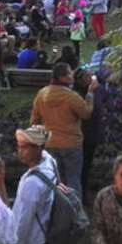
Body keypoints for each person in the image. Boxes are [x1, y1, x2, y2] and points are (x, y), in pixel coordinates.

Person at [30, 62, 96, 198]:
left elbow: (34, 122)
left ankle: (57, 209)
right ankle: (75, 212)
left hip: (50, 144)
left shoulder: (42, 94)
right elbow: (86, 114)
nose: (72, 76)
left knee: (56, 180)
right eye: (70, 73)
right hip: (71, 144)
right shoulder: (71, 97)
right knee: (73, 179)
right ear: (63, 78)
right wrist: (90, 94)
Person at [12, 126, 57, 244]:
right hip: (44, 232)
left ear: (37, 149)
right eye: (19, 146)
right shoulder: (50, 162)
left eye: (24, 147)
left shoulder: (32, 183)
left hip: (33, 239)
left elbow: (24, 219)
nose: (20, 151)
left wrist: (16, 242)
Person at [72, 64, 104, 201]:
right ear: (79, 80)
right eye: (87, 76)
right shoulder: (79, 95)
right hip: (83, 136)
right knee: (81, 168)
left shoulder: (91, 91)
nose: (90, 78)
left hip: (91, 134)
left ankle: (83, 192)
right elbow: (87, 113)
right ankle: (81, 195)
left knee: (86, 166)